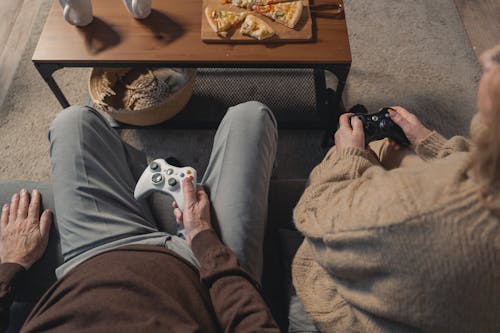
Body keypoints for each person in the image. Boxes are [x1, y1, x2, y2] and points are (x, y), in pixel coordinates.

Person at [0, 101, 281, 332]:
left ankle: (138, 179)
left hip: (93, 259)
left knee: (73, 122)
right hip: (202, 277)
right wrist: (204, 236)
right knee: (249, 118)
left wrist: (12, 264)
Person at [292, 44, 500, 332]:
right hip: (456, 304)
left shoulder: (421, 210)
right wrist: (429, 142)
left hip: (356, 313)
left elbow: (315, 215)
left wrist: (346, 157)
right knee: (387, 149)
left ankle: (338, 149)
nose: (487, 56)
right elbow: (477, 163)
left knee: (325, 180)